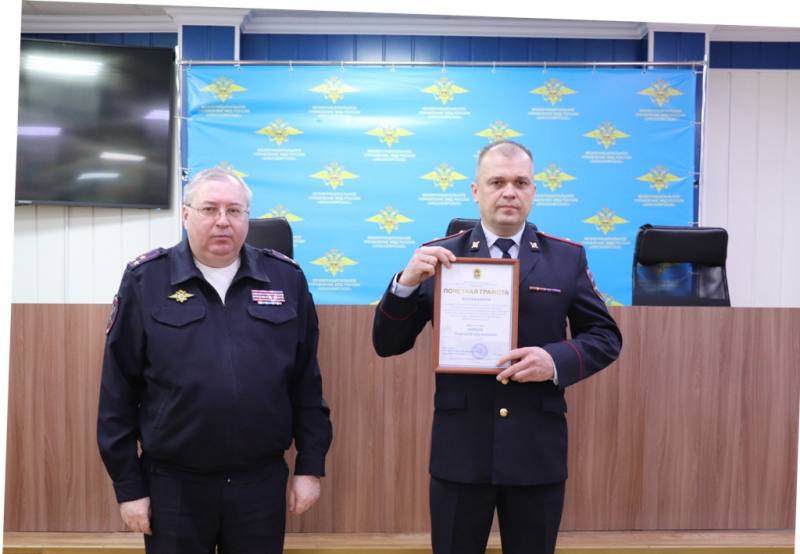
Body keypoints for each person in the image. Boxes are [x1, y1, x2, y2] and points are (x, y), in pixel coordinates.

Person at [372, 140, 622, 554]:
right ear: (476, 191)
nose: (509, 192)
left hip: (535, 452)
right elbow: (387, 344)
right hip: (461, 452)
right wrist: (405, 284)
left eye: (520, 183)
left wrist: (554, 360)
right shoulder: (439, 256)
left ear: (534, 191)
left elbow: (605, 337)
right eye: (497, 182)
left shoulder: (566, 258)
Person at [97, 167, 332, 554]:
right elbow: (117, 392)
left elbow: (306, 382)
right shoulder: (146, 279)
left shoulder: (285, 278)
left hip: (259, 484)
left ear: (247, 218)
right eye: (209, 209)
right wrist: (129, 486)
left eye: (234, 210)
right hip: (173, 485)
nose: (223, 221)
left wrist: (310, 465)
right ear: (186, 215)